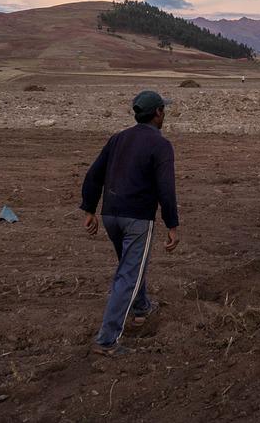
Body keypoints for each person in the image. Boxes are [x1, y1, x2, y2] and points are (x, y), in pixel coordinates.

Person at [80, 90, 180, 356]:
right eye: (163, 109)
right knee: (128, 274)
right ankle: (107, 340)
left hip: (111, 214)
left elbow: (93, 175)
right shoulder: (161, 145)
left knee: (130, 265)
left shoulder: (118, 138)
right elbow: (166, 189)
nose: (164, 113)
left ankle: (141, 308)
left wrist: (89, 209)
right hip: (137, 217)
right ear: (158, 112)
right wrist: (172, 224)